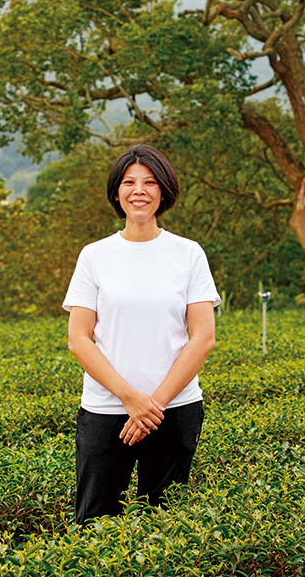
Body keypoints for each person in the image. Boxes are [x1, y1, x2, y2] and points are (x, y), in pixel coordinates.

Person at [62, 144, 220, 524]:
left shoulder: (188, 253)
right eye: (129, 182)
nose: (139, 190)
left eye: (149, 182)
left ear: (163, 191)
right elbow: (79, 338)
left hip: (174, 409)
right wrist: (130, 398)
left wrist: (154, 405)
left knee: (165, 523)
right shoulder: (95, 256)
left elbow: (203, 336)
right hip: (107, 408)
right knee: (95, 522)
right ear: (117, 192)